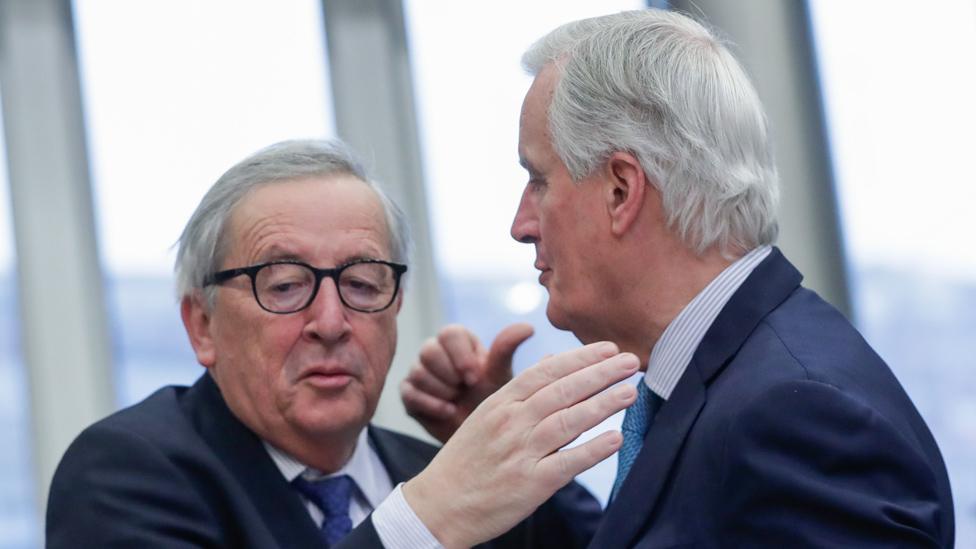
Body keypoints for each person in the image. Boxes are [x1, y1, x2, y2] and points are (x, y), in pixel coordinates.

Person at [401, 9, 955, 547]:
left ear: (622, 189)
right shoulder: (736, 381)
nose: (521, 226)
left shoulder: (796, 414)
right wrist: (515, 462)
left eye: (538, 181)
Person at [46, 139, 640, 548]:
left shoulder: (435, 472)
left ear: (396, 307)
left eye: (361, 283)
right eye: (283, 286)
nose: (330, 322)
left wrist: (509, 446)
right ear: (201, 324)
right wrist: (421, 524)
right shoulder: (129, 472)